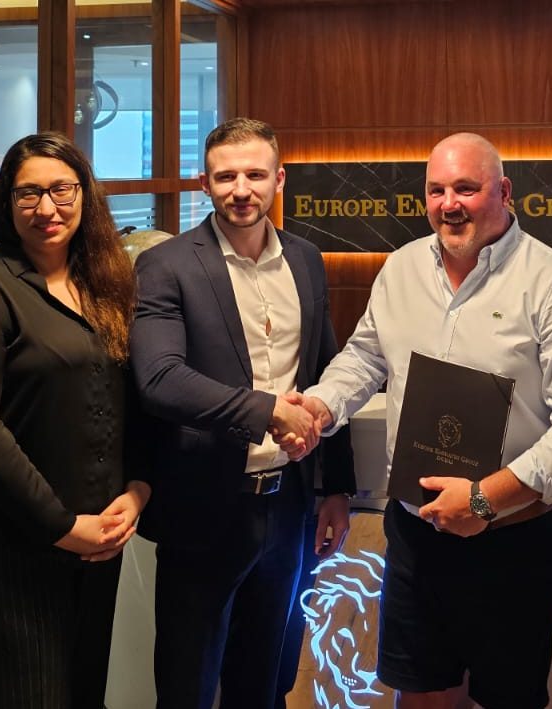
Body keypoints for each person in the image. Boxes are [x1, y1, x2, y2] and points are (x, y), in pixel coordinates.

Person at [294, 132, 552, 709]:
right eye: (436, 190)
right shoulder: (400, 269)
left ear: (504, 192)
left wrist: (485, 499)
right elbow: (365, 358)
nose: (449, 204)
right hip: (415, 536)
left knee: (507, 700)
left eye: (466, 189)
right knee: (419, 695)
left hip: (513, 540)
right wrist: (321, 405)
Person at [130, 117, 356, 708]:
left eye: (255, 175)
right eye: (225, 176)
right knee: (188, 686)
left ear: (279, 180)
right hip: (205, 508)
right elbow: (159, 379)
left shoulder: (306, 259)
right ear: (203, 183)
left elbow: (326, 369)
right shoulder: (167, 265)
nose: (240, 190)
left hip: (289, 507)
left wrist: (337, 487)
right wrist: (266, 411)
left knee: (266, 682)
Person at [0, 132, 149, 708]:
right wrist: (61, 526)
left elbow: (126, 398)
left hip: (94, 545)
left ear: (85, 195)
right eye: (28, 193)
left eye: (61, 190)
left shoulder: (102, 282)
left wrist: (137, 489)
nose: (46, 208)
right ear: (7, 202)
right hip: (4, 549)